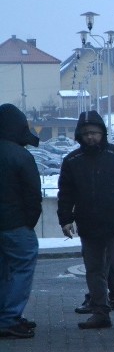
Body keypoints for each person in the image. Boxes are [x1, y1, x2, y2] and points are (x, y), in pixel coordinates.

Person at [58, 110, 114, 330]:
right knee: (94, 271)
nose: (90, 137)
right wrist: (65, 220)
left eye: (94, 132)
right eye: (86, 133)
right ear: (79, 135)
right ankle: (100, 312)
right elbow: (65, 193)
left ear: (102, 133)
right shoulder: (72, 161)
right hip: (88, 225)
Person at [0, 104, 41, 339]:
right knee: (22, 266)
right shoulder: (21, 155)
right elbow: (33, 195)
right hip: (16, 224)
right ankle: (9, 318)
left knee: (4, 269)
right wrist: (29, 222)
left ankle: (4, 315)